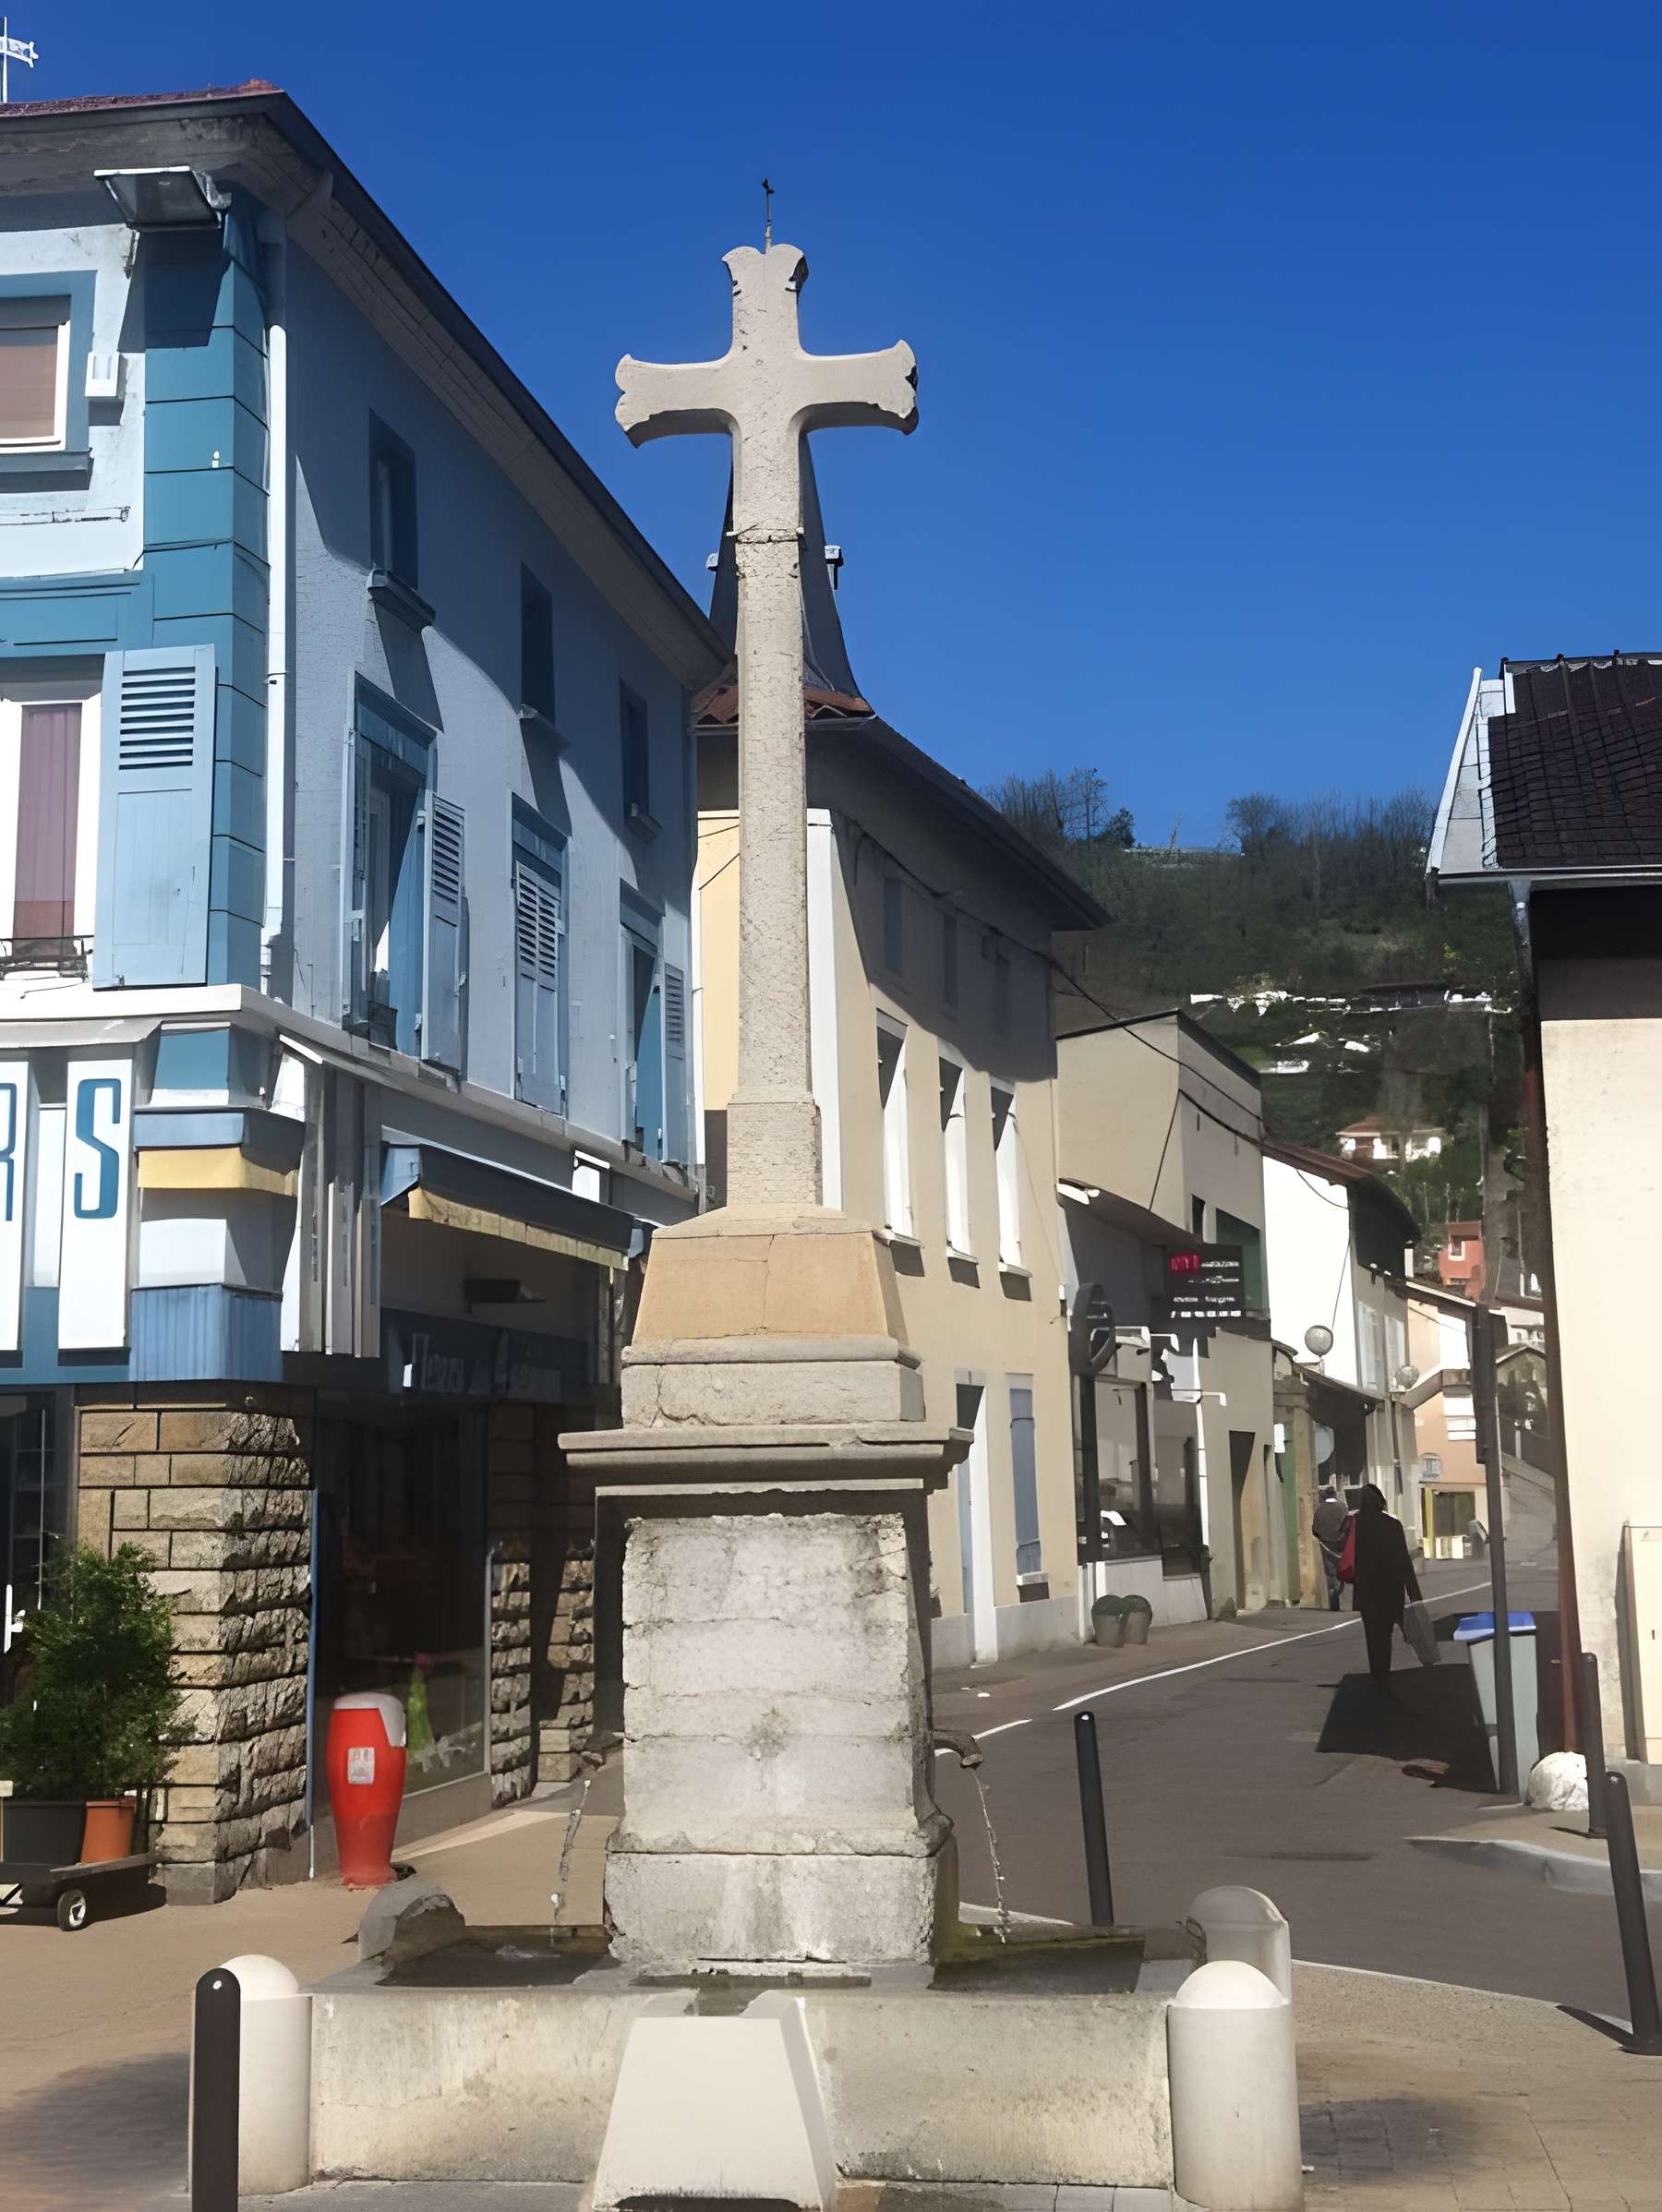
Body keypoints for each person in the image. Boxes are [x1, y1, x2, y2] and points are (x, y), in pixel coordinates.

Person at [1351, 1482, 1421, 1690]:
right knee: (1386, 1632)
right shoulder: (1392, 1525)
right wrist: (1414, 1594)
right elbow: (1403, 1561)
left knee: (1372, 1632)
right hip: (1391, 1589)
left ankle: (1376, 1671)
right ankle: (1384, 1672)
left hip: (1366, 1588)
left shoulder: (1355, 1525)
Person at [1312, 1485, 1349, 1612]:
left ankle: (1334, 1591)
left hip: (1326, 1545)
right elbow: (1348, 1525)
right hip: (1342, 1545)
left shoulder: (1319, 1510)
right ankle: (1339, 1586)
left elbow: (1315, 1530)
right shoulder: (1342, 1508)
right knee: (1342, 1568)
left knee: (1330, 1571)